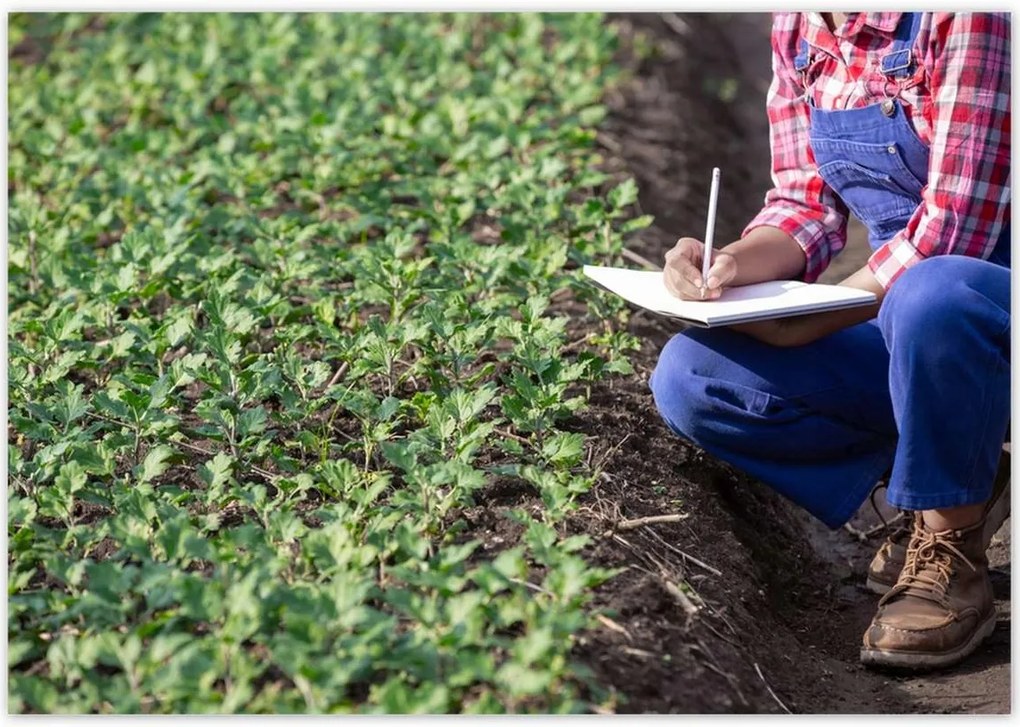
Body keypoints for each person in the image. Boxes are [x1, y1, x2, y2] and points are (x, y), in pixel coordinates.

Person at [649, 12, 1010, 670]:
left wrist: (821, 316)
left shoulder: (966, 16)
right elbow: (804, 205)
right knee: (694, 375)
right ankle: (948, 475)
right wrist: (727, 265)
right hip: (916, 315)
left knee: (933, 295)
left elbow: (957, 224)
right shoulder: (800, 25)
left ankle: (950, 548)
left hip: (982, 301)